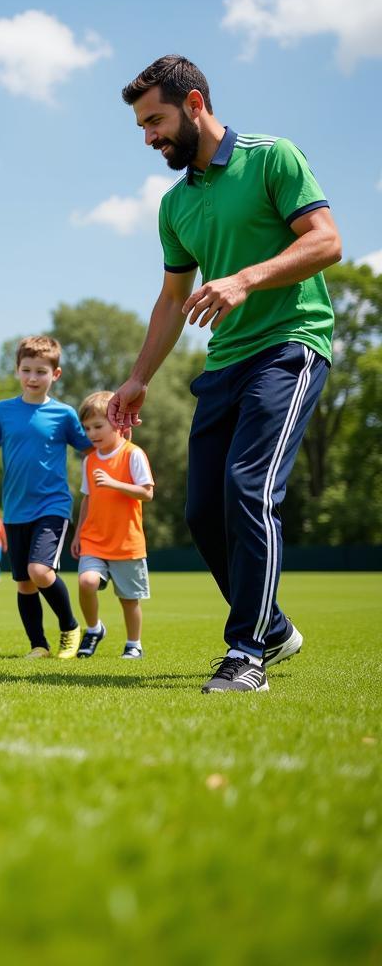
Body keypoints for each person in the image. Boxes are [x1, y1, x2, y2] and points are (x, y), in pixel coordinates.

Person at [110, 54, 342, 693]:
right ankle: (271, 627)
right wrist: (138, 379)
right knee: (203, 511)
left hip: (290, 345)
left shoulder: (272, 157)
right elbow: (169, 301)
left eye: (154, 120)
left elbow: (325, 240)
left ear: (193, 104)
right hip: (226, 362)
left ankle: (247, 656)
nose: (149, 136)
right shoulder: (175, 204)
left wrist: (244, 279)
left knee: (248, 488)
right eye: (141, 127)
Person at [0, 336, 91, 659]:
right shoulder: (2, 411)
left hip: (53, 505)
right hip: (14, 510)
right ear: (17, 371)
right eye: (26, 370)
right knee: (25, 583)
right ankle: (38, 645)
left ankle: (70, 627)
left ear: (56, 374)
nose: (33, 377)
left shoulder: (64, 415)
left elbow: (92, 449)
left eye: (41, 371)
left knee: (41, 571)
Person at [70, 392, 154, 659]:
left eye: (98, 426)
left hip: (127, 542)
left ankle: (133, 644)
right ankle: (94, 628)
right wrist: (78, 534)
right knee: (86, 582)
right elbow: (87, 498)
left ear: (117, 423)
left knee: (129, 600)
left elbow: (147, 492)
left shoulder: (133, 455)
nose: (91, 433)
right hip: (94, 539)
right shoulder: (90, 460)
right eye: (86, 428)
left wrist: (115, 483)